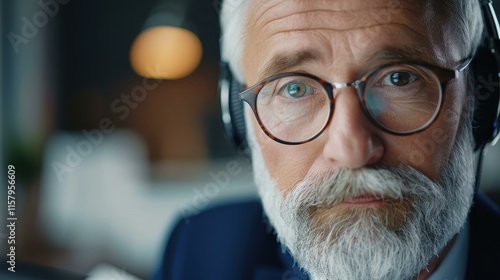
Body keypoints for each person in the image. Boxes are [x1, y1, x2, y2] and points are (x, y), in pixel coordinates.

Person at [154, 0, 500, 279]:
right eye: (295, 88)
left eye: (400, 78)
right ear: (240, 121)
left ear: (481, 101)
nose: (352, 150)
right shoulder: (201, 252)